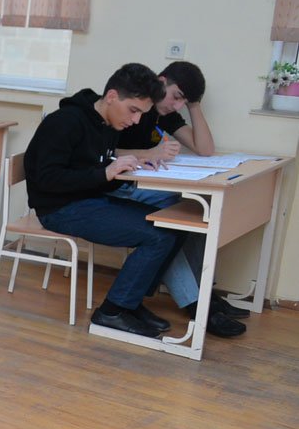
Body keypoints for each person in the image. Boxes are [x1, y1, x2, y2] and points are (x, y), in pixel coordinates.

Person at [24, 63, 193, 338]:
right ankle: (112, 311)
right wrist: (105, 173)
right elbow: (47, 179)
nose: (136, 121)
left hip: (90, 200)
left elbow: (94, 166)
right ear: (112, 96)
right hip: (59, 209)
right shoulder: (64, 122)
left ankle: (130, 301)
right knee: (159, 235)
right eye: (134, 111)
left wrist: (127, 166)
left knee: (173, 224)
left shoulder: (106, 123)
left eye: (142, 113)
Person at [112, 61, 244, 332]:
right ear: (161, 82)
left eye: (183, 101)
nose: (176, 105)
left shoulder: (164, 111)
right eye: (176, 96)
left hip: (143, 183)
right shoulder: (133, 105)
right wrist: (149, 154)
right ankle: (196, 303)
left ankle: (202, 293)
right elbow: (105, 151)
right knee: (176, 218)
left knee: (196, 211)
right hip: (118, 185)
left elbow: (205, 149)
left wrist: (194, 105)